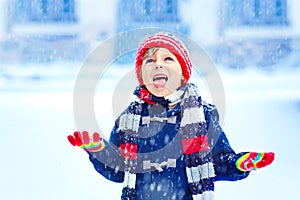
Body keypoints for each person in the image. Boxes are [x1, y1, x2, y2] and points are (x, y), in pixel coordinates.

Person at [67, 32, 275, 200]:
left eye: (168, 59)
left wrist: (239, 163)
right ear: (141, 76)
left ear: (183, 74)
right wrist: (99, 151)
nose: (158, 64)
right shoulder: (129, 119)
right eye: (150, 60)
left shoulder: (201, 117)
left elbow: (219, 163)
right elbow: (118, 169)